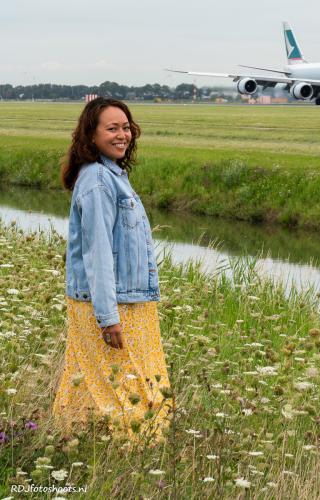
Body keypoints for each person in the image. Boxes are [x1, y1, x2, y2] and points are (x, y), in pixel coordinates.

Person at [52, 97, 173, 443]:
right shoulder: (98, 182)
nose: (123, 135)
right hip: (110, 306)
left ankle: (72, 445)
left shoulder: (110, 175)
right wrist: (107, 317)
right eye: (112, 128)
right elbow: (98, 254)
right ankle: (137, 450)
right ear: (90, 136)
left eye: (126, 127)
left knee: (94, 381)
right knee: (129, 389)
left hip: (128, 303)